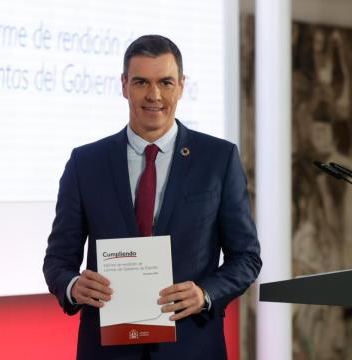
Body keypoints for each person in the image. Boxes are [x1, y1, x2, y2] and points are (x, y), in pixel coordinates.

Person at [43, 34, 261, 360]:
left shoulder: (218, 159)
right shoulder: (85, 163)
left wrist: (205, 294)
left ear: (182, 86)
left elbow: (246, 257)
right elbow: (58, 260)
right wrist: (74, 286)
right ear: (123, 85)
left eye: (166, 82)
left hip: (193, 347)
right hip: (107, 349)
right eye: (142, 82)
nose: (154, 95)